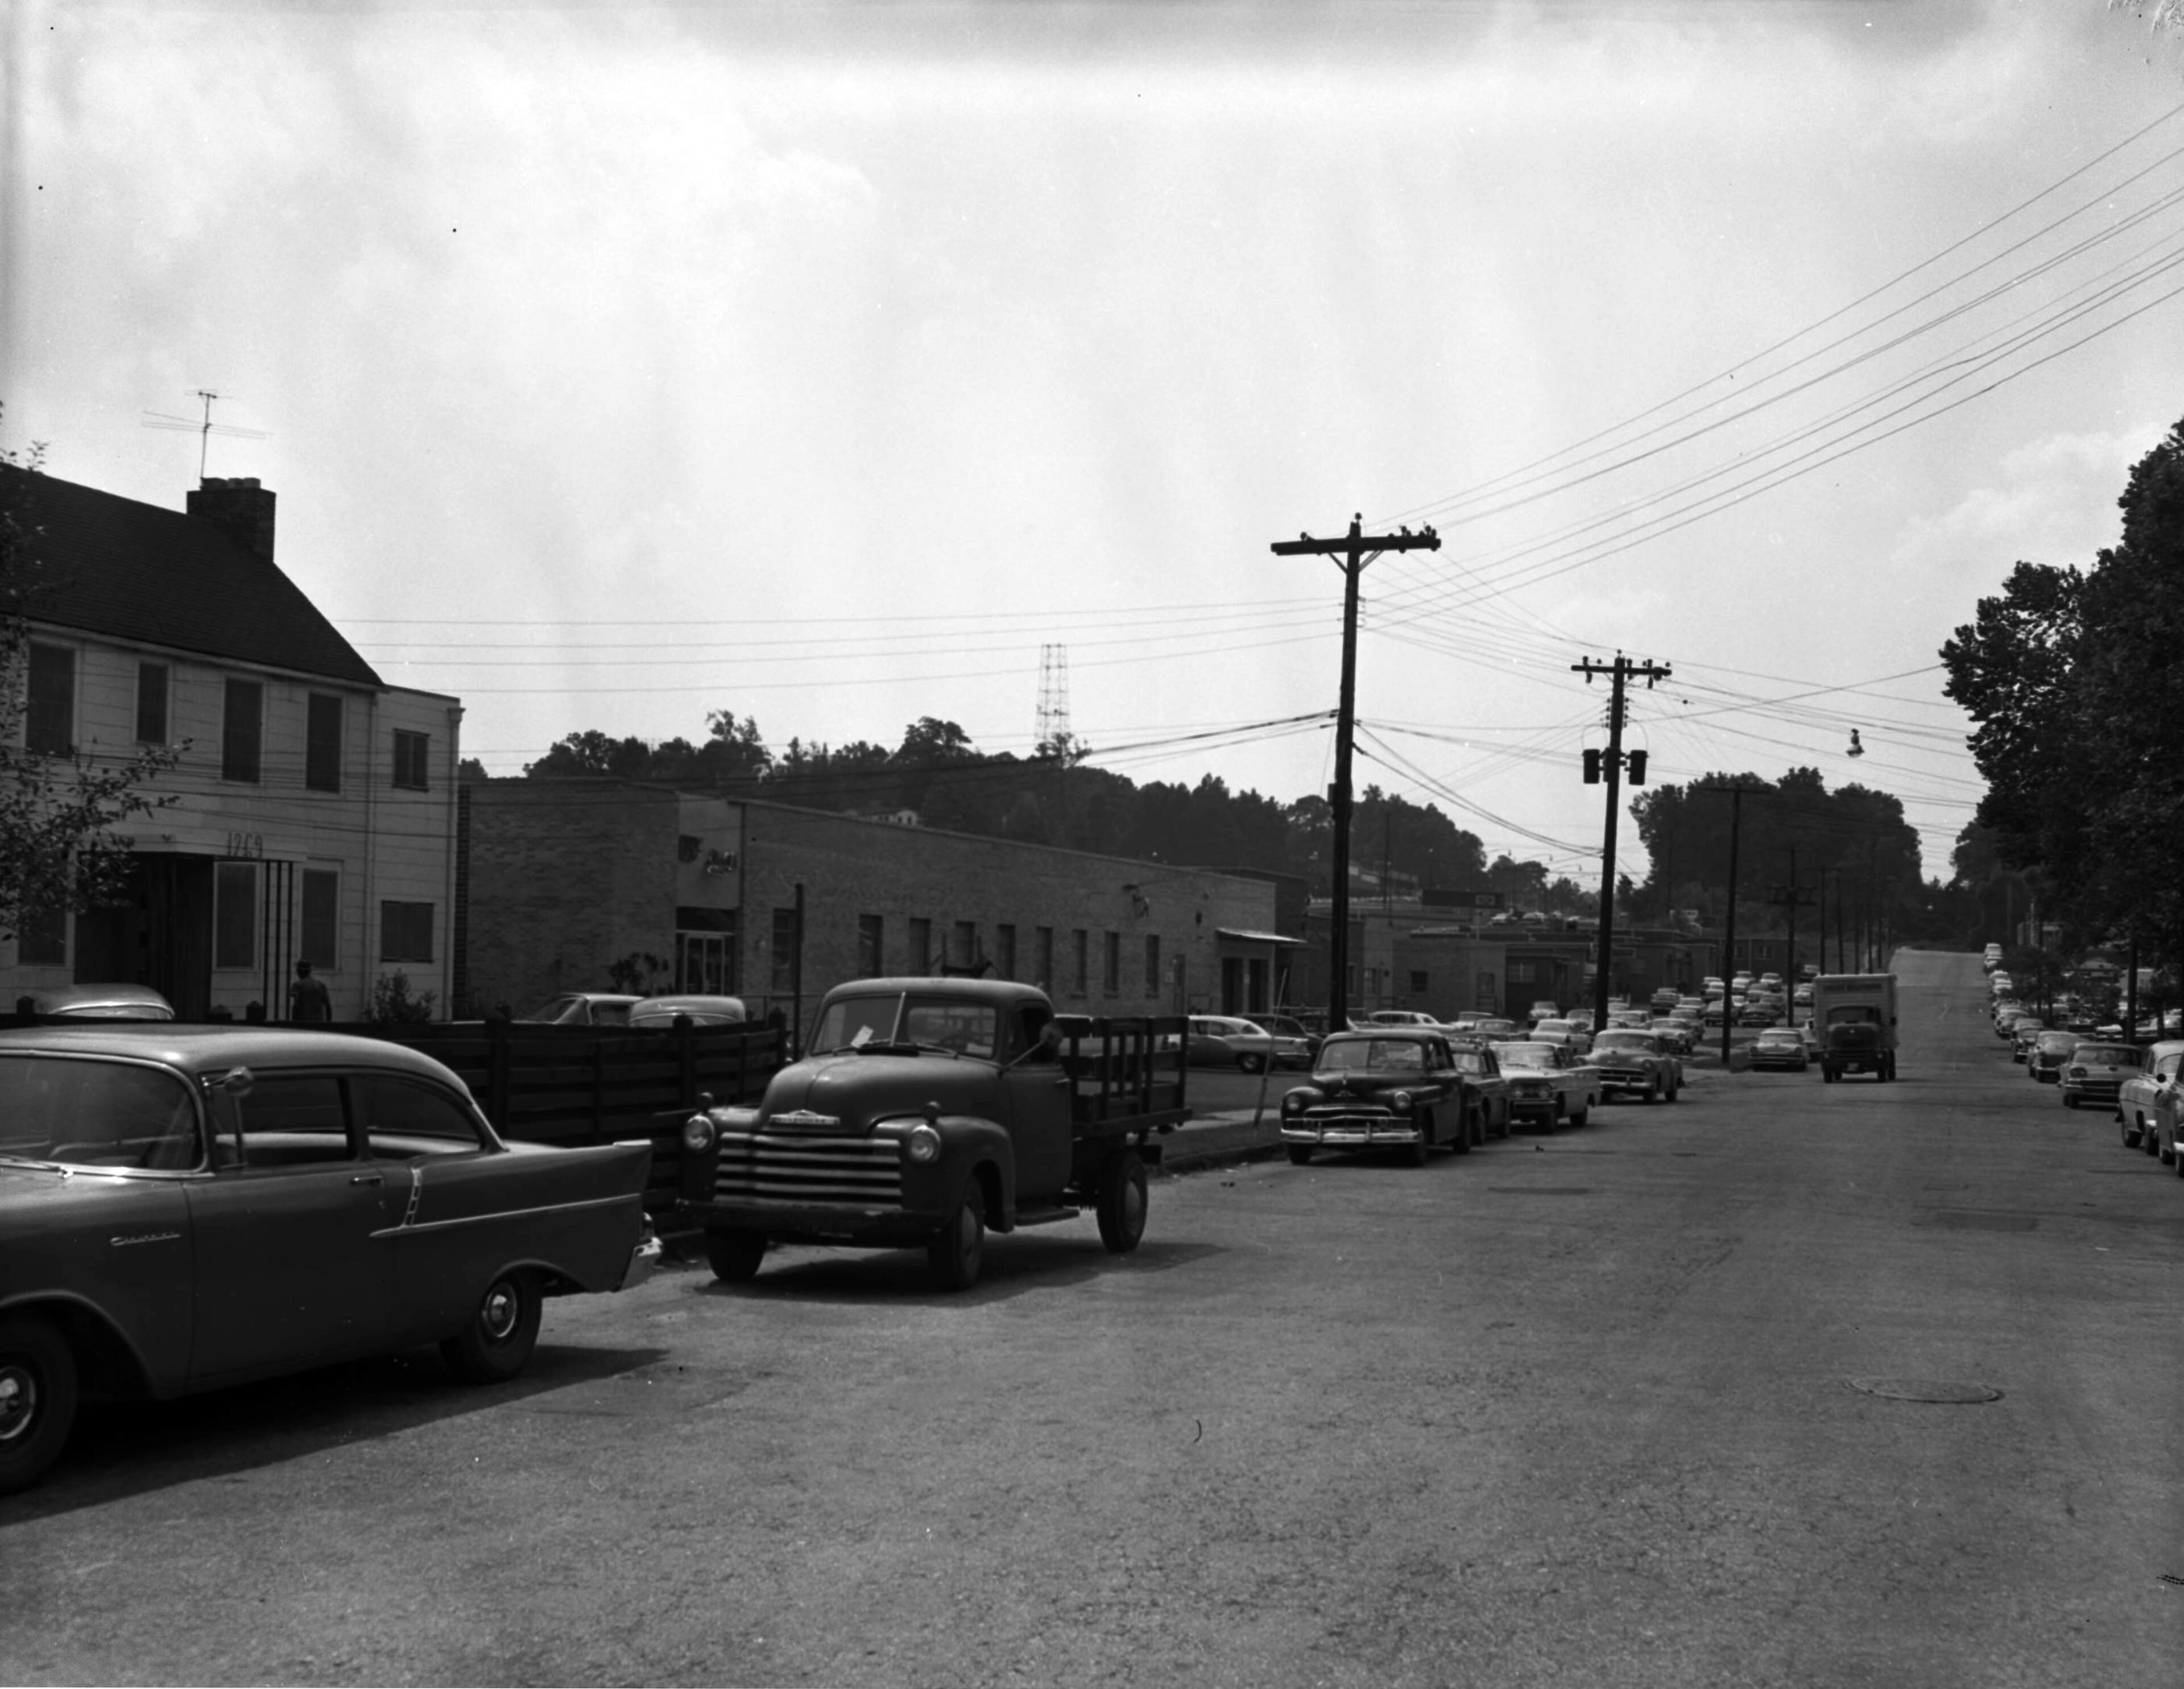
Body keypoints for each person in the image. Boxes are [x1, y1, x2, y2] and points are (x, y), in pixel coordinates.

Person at [289, 959, 333, 1023]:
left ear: (300, 971)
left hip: (303, 1022)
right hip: (319, 1022)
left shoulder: (298, 985)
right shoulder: (321, 985)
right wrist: (329, 1023)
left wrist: (294, 1023)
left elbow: (296, 1006)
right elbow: (328, 1006)